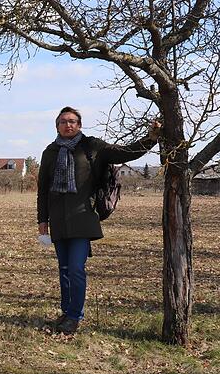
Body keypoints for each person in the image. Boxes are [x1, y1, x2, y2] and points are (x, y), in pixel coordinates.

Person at [37, 106, 161, 334]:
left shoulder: (93, 147)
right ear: (57, 126)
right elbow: (43, 189)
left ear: (80, 124)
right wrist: (42, 220)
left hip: (83, 217)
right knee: (63, 269)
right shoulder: (50, 152)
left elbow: (126, 153)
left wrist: (151, 139)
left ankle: (75, 315)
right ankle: (66, 311)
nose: (68, 125)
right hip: (58, 220)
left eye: (73, 121)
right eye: (63, 121)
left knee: (75, 268)